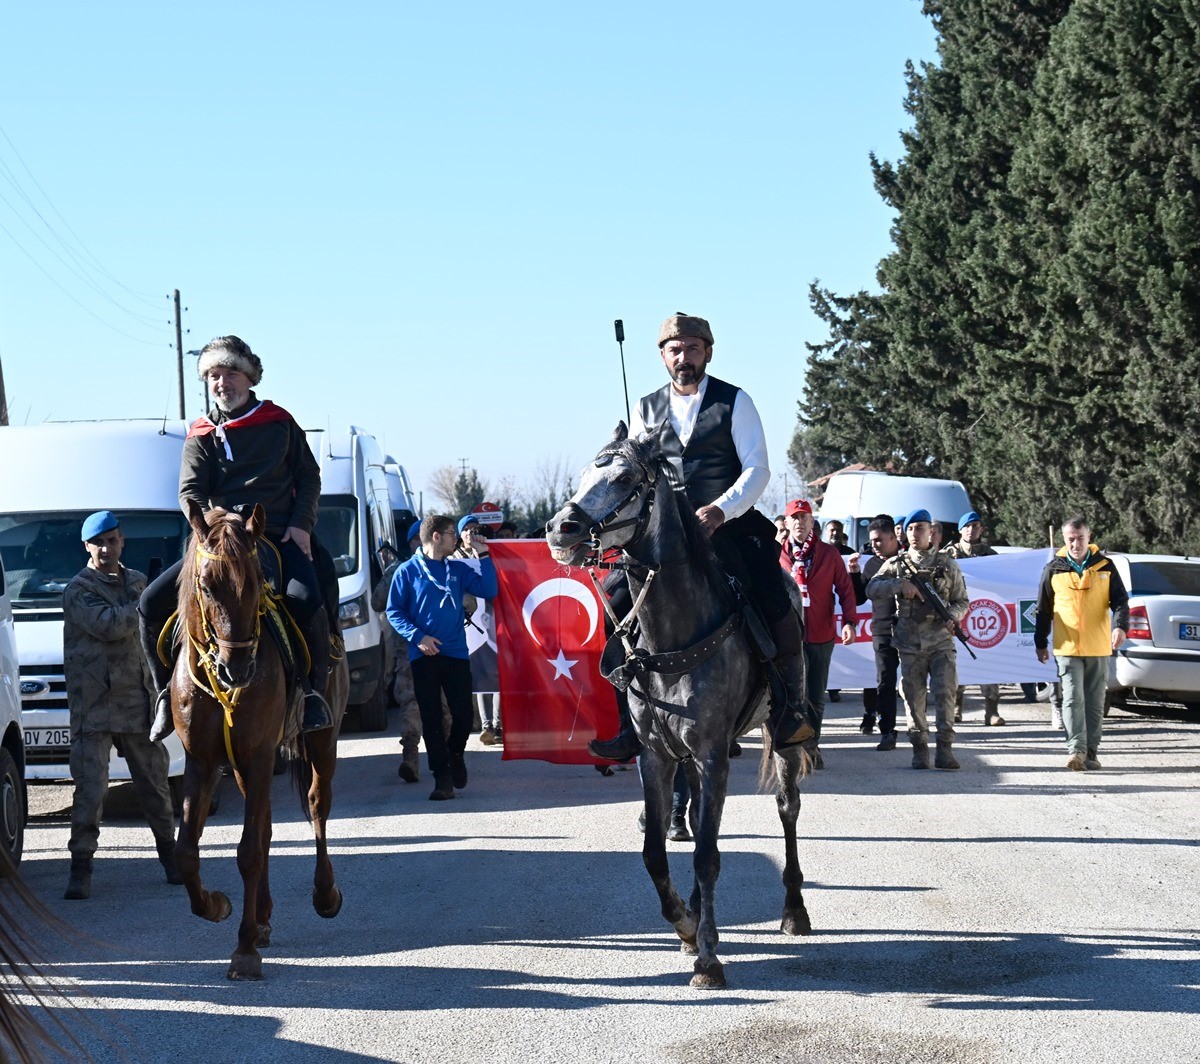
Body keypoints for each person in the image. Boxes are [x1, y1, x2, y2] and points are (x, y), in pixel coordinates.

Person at [588, 312, 814, 761]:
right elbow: (634, 472)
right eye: (675, 350)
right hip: (665, 537)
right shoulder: (646, 408)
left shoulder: (735, 401)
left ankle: (790, 710)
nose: (683, 357)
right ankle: (630, 725)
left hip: (729, 527)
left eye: (692, 348)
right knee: (616, 606)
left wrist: (722, 508)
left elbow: (758, 468)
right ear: (662, 357)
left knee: (774, 598)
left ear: (707, 352)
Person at [139, 335, 333, 741]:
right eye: (212, 375)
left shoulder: (279, 422)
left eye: (228, 373)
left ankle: (313, 692)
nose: (220, 382)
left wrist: (301, 523)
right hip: (218, 540)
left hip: (275, 534)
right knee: (149, 602)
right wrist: (212, 525)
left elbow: (308, 476)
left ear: (249, 378)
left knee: (306, 597)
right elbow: (189, 492)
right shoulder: (201, 432)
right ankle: (163, 695)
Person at [62, 511, 182, 900]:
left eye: (112, 540)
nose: (106, 548)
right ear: (86, 547)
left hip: (136, 702)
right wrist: (145, 603)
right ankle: (81, 867)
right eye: (98, 543)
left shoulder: (137, 582)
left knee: (155, 786)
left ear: (122, 541)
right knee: (91, 792)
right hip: (94, 708)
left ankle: (170, 855)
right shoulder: (78, 589)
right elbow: (112, 625)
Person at [386, 514, 497, 799]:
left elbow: (489, 590)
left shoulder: (457, 570)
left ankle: (455, 753)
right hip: (423, 656)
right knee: (432, 718)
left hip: (456, 653)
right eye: (451, 533)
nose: (456, 538)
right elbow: (394, 611)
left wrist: (483, 556)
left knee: (463, 715)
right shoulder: (407, 572)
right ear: (436, 537)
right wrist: (418, 637)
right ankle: (442, 778)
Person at [866, 509, 969, 770]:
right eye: (910, 529)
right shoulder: (898, 564)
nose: (915, 533)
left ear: (931, 532)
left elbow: (962, 600)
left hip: (941, 640)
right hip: (909, 643)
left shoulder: (947, 564)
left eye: (920, 528)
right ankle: (919, 748)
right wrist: (899, 586)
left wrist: (954, 615)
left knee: (946, 692)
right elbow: (871, 588)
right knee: (913, 697)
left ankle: (945, 748)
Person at [1033, 516, 1129, 771]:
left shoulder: (1106, 566)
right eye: (1070, 539)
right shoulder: (1053, 568)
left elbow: (1120, 602)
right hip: (1067, 647)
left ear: (1089, 537)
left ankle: (1091, 752)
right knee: (1073, 698)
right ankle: (1076, 751)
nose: (1075, 544)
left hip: (1098, 646)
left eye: (1080, 538)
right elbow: (1043, 609)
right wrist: (1040, 642)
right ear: (1064, 540)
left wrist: (1120, 626)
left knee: (1095, 702)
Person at [779, 499, 856, 767]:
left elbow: (846, 590)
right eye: (795, 518)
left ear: (813, 522)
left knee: (815, 695)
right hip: (789, 637)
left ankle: (811, 747)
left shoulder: (828, 553)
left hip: (821, 635)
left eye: (805, 517)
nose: (800, 522)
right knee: (791, 696)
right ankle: (792, 749)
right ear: (786, 523)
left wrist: (849, 622)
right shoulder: (777, 554)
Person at [946, 510, 1004, 727]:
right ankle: (957, 708)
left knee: (989, 662)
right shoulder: (949, 553)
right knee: (957, 662)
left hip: (984, 614)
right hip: (958, 615)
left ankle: (992, 711)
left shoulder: (990, 555)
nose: (971, 530)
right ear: (961, 530)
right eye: (967, 526)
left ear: (981, 529)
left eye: (976, 525)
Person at [454, 515, 502, 745]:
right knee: (480, 672)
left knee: (496, 671)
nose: (471, 533)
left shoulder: (488, 554)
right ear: (460, 534)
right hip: (469, 624)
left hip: (492, 618)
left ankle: (499, 724)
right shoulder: (453, 559)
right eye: (467, 530)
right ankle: (486, 725)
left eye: (475, 529)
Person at [859, 515, 903, 751]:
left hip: (912, 631)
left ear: (893, 537)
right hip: (883, 632)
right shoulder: (871, 565)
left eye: (879, 540)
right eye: (872, 541)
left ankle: (921, 730)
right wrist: (855, 574)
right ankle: (887, 731)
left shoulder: (909, 560)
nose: (874, 545)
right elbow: (858, 597)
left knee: (915, 684)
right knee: (885, 682)